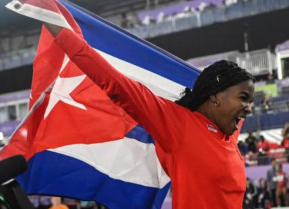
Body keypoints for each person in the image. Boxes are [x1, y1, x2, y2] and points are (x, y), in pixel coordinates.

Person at [44, 23, 255, 209]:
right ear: (216, 97)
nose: (249, 108)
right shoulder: (179, 126)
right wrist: (58, 28)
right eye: (244, 98)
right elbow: (116, 83)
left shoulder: (229, 135)